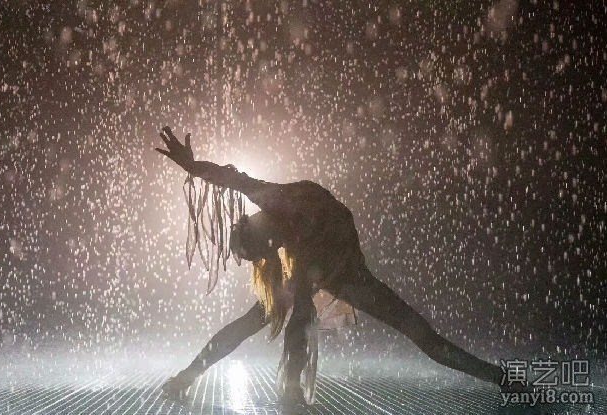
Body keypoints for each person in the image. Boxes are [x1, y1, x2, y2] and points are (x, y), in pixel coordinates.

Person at [155, 126, 505, 406]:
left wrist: (192, 165)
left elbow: (231, 179)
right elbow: (232, 180)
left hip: (342, 267)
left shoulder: (277, 203)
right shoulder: (276, 219)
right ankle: (503, 379)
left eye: (260, 255)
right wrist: (192, 166)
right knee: (418, 334)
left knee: (422, 336)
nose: (265, 260)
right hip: (336, 266)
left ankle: (503, 379)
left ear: (262, 238)